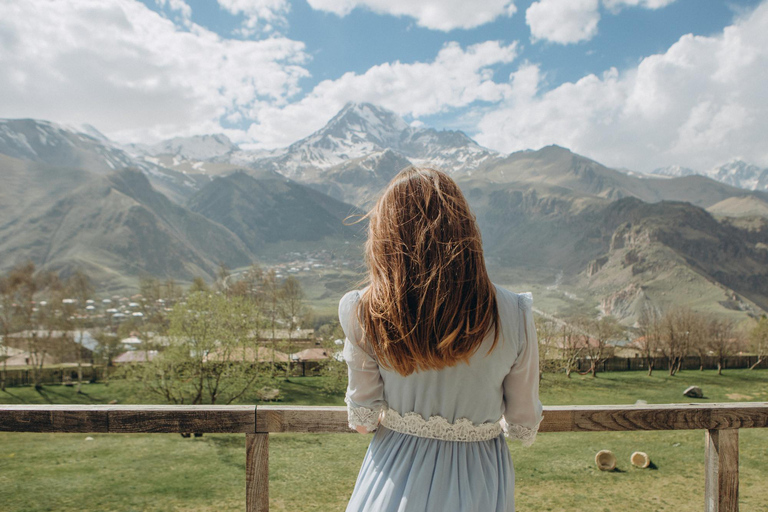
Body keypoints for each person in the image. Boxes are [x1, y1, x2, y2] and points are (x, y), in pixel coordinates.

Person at [339, 166, 543, 512]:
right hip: (479, 482)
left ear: (384, 238)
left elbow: (363, 421)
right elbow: (523, 423)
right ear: (466, 231)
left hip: (391, 479)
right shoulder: (514, 312)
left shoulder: (364, 310)